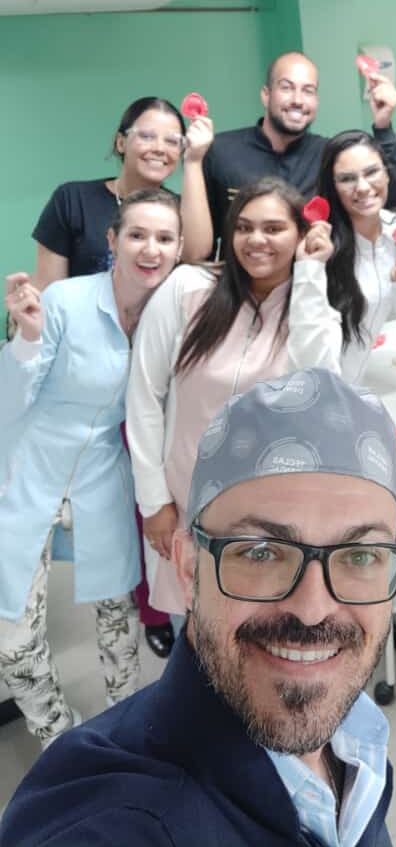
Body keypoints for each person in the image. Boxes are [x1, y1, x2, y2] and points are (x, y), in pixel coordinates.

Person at [0, 368, 396, 846]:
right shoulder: (113, 817)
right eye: (261, 552)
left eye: (360, 555)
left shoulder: (358, 744)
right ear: (188, 568)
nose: (313, 608)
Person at [0, 188, 182, 747]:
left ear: (179, 249)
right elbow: (9, 401)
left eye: (164, 238)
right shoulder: (65, 300)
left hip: (104, 473)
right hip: (26, 467)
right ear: (112, 240)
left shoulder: (172, 318)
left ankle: (123, 732)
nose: (150, 249)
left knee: (119, 620)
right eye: (137, 235)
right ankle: (59, 735)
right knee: (11, 639)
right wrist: (26, 342)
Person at [126, 177, 342, 617]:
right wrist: (153, 501)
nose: (256, 240)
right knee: (194, 622)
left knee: (256, 625)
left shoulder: (313, 311)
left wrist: (310, 273)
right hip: (185, 500)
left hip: (272, 509)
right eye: (244, 227)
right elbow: (144, 395)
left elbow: (318, 388)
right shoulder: (187, 288)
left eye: (273, 228)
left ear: (301, 235)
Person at [203, 51, 396, 245]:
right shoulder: (220, 151)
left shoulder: (329, 155)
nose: (298, 100)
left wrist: (383, 126)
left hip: (317, 267)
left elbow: (389, 206)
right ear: (266, 95)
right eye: (286, 88)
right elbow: (200, 243)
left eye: (308, 91)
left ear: (316, 100)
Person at [32, 96, 213, 287]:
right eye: (146, 136)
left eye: (172, 141)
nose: (160, 148)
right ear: (120, 143)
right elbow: (49, 293)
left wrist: (193, 161)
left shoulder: (180, 211)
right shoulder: (72, 199)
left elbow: (195, 255)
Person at [316, 129, 396, 383]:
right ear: (333, 187)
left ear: (387, 173)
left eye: (372, 172)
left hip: (355, 381)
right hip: (319, 384)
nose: (363, 187)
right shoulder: (321, 246)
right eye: (347, 179)